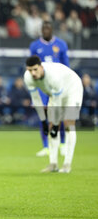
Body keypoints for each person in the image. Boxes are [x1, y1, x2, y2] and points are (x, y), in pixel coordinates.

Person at [24, 56, 83, 173]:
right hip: (56, 94)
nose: (33, 73)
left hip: (72, 90)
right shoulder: (28, 77)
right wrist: (43, 122)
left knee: (68, 123)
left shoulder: (53, 76)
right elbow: (36, 100)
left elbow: (57, 102)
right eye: (30, 70)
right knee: (51, 126)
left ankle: (67, 165)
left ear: (41, 67)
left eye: (35, 69)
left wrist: (57, 124)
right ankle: (53, 164)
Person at [29, 21, 69, 157]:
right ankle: (46, 146)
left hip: (57, 85)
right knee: (43, 115)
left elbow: (66, 66)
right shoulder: (35, 46)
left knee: (60, 114)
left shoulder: (61, 45)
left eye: (48, 28)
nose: (46, 31)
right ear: (41, 30)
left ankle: (62, 144)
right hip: (42, 85)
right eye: (43, 29)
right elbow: (31, 67)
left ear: (52, 29)